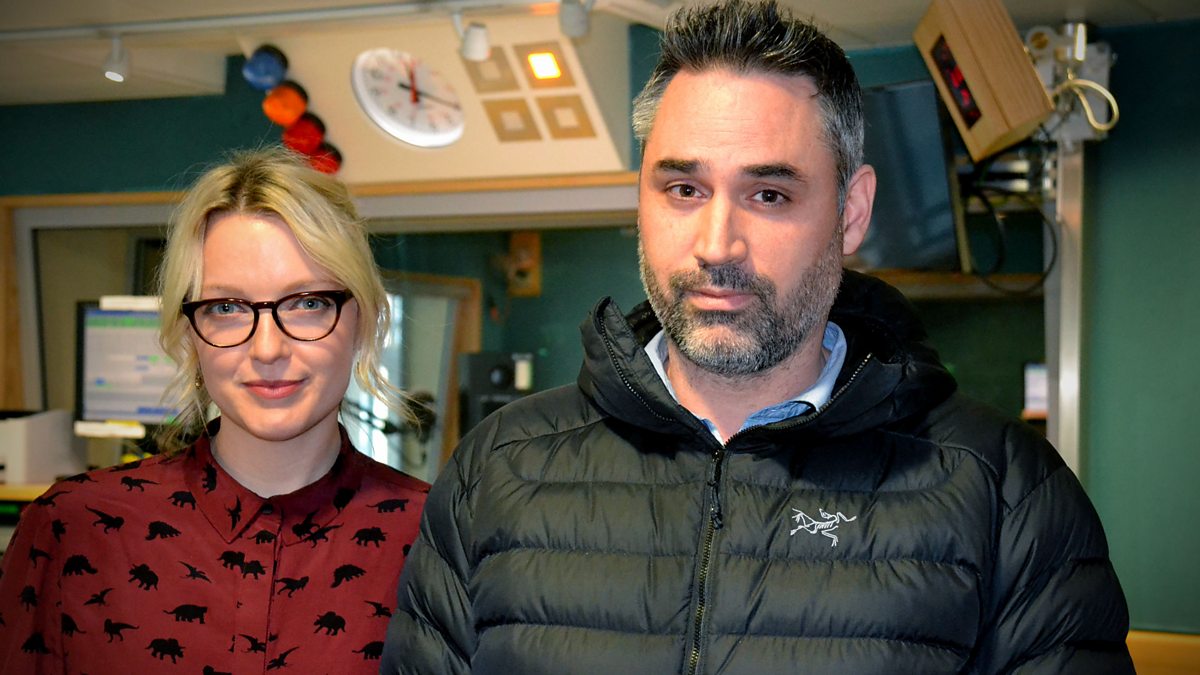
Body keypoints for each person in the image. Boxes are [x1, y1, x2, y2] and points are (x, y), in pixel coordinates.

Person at [381, 1, 1133, 673]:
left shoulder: (1005, 491)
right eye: (683, 189)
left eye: (769, 194)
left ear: (851, 212)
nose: (717, 244)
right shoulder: (497, 470)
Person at [0, 147, 429, 673]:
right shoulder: (72, 528)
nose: (268, 349)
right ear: (189, 333)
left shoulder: (437, 537)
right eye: (226, 308)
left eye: (307, 302)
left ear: (362, 319)